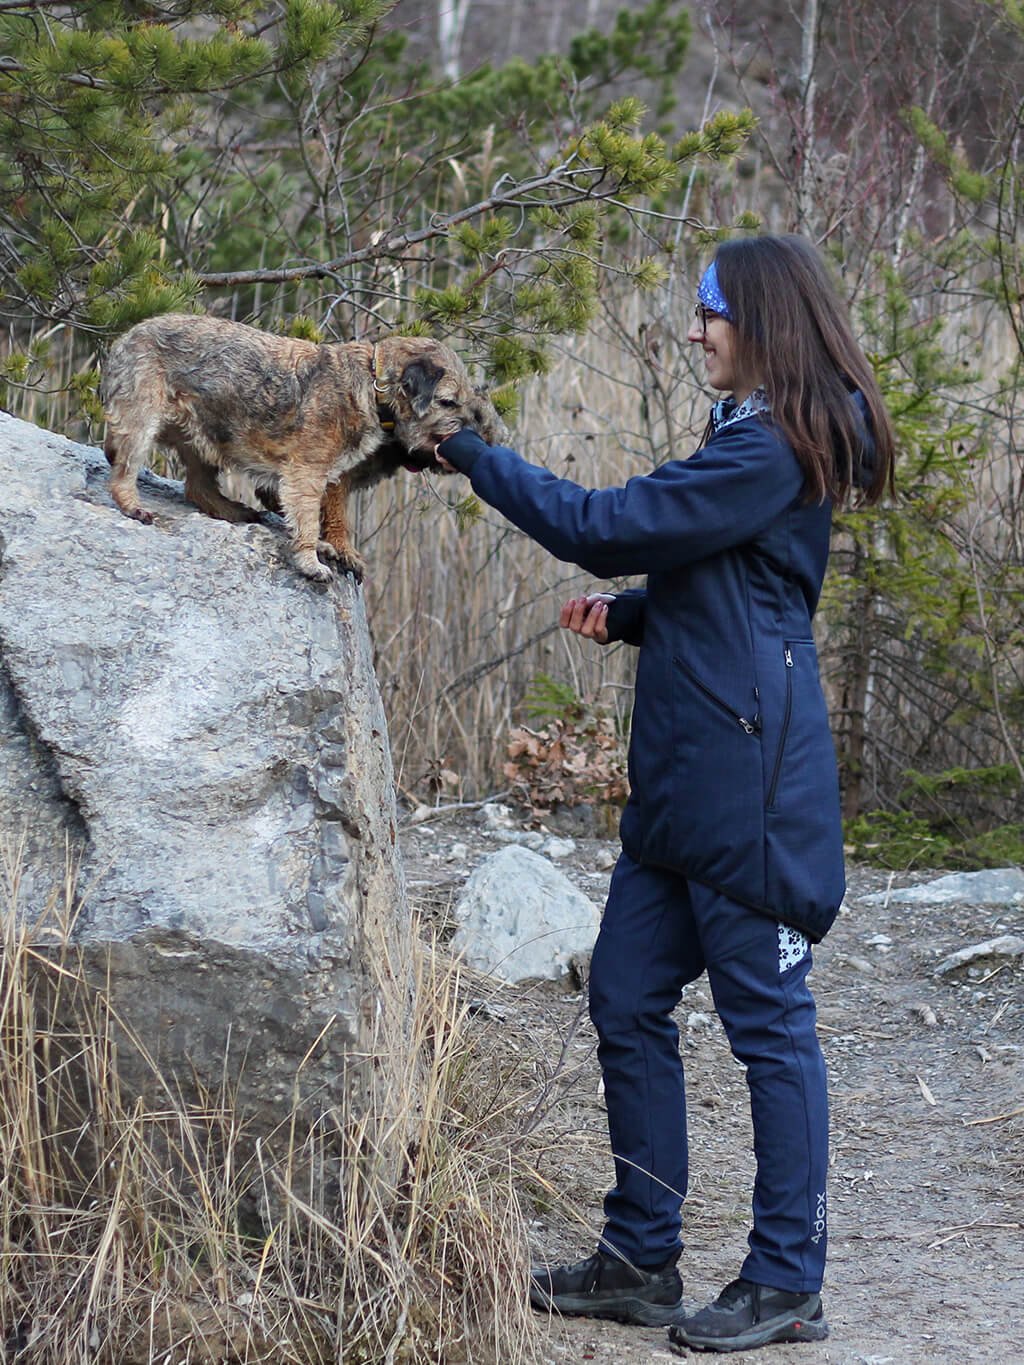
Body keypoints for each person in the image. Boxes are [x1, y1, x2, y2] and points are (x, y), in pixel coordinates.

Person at [434, 234, 896, 1354]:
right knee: (626, 995)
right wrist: (638, 615)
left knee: (768, 1031)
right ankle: (641, 1258)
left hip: (749, 786)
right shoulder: (746, 432)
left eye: (708, 312)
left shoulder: (777, 442)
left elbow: (604, 529)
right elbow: (746, 580)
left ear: (764, 320)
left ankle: (787, 1281)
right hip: (686, 776)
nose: (692, 332)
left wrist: (463, 451)